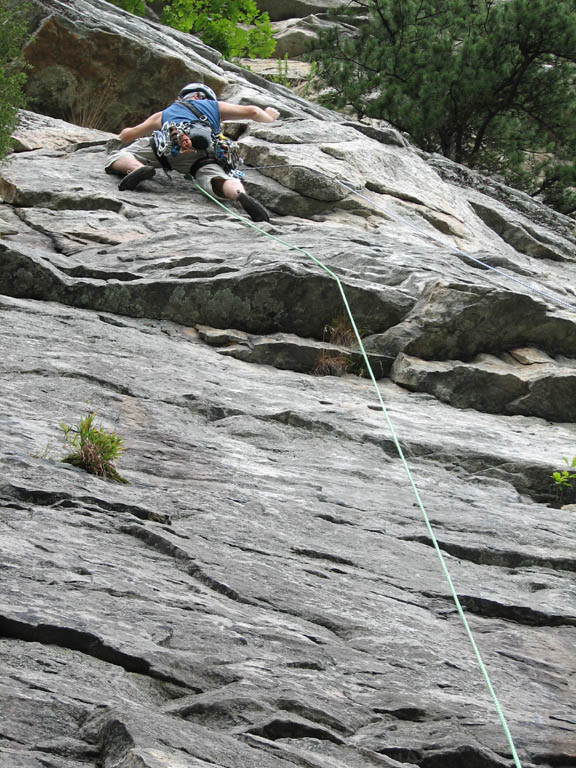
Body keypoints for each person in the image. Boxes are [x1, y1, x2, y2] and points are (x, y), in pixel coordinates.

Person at [105, 82, 280, 222]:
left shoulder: (165, 113)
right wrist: (269, 117)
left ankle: (136, 168)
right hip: (206, 152)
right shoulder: (213, 106)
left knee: (121, 155)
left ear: (189, 96)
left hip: (170, 146)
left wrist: (123, 131)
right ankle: (238, 194)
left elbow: (127, 136)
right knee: (218, 177)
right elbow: (252, 111)